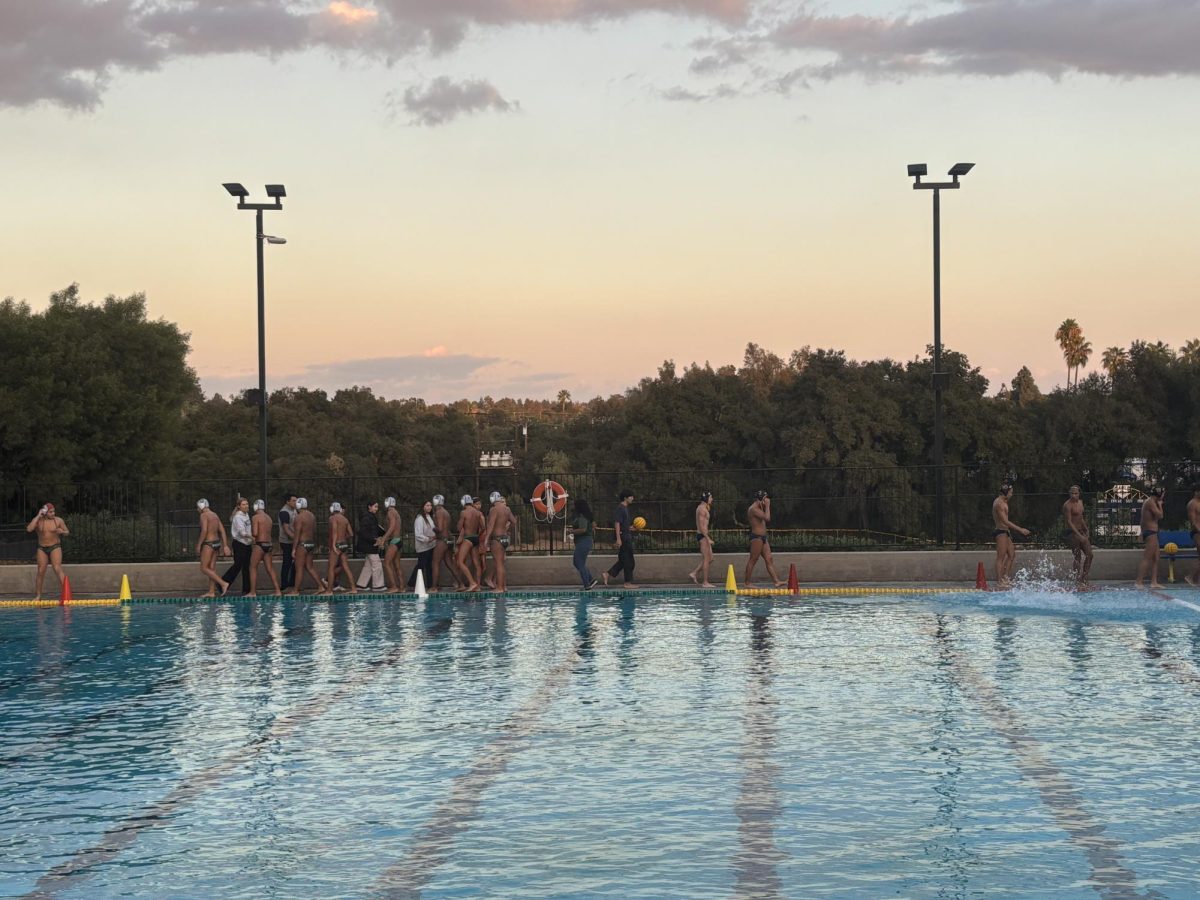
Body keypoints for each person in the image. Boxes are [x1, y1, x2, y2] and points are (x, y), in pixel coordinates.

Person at [26, 503, 69, 601]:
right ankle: (38, 596)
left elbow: (67, 532)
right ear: (45, 512)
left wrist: (62, 532)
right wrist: (38, 515)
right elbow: (29, 529)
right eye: (50, 512)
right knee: (40, 571)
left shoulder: (58, 520)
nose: (53, 513)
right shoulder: (38, 521)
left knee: (57, 568)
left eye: (53, 511)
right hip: (42, 548)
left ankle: (66, 595)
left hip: (55, 547)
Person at [992, 483, 1031, 588]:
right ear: (1006, 492)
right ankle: (1000, 581)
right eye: (1011, 492)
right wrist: (1020, 530)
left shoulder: (1004, 501)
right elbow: (1005, 521)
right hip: (1000, 532)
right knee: (1001, 557)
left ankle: (1005, 578)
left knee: (1011, 554)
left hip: (1005, 532)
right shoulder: (999, 503)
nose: (1011, 495)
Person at [745, 490, 785, 587]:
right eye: (765, 499)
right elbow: (767, 518)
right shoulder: (753, 509)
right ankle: (747, 583)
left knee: (769, 559)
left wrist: (765, 505)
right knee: (753, 559)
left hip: (763, 538)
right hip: (756, 538)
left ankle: (776, 581)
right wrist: (767, 506)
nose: (767, 501)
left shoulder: (759, 507)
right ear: (761, 499)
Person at [286, 498, 325, 594]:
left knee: (299, 568)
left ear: (298, 506)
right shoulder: (312, 516)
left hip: (302, 545)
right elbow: (314, 530)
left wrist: (294, 549)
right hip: (311, 544)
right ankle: (320, 586)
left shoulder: (299, 517)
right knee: (309, 567)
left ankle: (295, 591)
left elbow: (297, 535)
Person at [482, 491, 519, 592]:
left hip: (497, 539)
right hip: (505, 538)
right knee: (501, 564)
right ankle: (503, 587)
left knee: (498, 563)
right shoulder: (507, 509)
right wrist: (505, 527)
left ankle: (499, 588)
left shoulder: (493, 509)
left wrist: (486, 539)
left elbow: (490, 525)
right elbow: (514, 522)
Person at [602, 489, 639, 588]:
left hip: (626, 535)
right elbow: (617, 524)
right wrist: (618, 539)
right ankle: (627, 583)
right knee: (629, 560)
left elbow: (623, 524)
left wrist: (631, 528)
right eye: (630, 496)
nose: (632, 498)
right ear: (625, 498)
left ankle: (608, 574)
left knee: (623, 560)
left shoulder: (625, 508)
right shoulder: (620, 508)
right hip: (624, 537)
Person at [195, 499, 231, 597]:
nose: (197, 510)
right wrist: (225, 545)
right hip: (216, 543)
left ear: (201, 507)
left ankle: (223, 584)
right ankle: (211, 592)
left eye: (198, 508)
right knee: (211, 568)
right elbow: (222, 531)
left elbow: (204, 530)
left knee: (203, 568)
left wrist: (199, 544)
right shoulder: (215, 515)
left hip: (209, 543)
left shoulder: (203, 515)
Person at [321, 502, 357, 595]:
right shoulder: (345, 519)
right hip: (344, 544)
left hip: (336, 545)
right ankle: (353, 589)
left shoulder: (333, 518)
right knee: (346, 567)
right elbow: (351, 534)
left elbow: (334, 532)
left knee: (331, 568)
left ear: (332, 509)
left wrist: (333, 545)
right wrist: (343, 537)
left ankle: (329, 590)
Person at [249, 499, 282, 596]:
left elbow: (255, 533)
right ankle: (277, 591)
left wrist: (249, 533)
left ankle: (253, 592)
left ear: (255, 507)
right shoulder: (269, 518)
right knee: (270, 568)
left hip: (260, 545)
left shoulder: (255, 517)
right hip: (269, 545)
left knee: (253, 567)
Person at [1061, 485, 1093, 586]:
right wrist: (1078, 534)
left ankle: (1084, 577)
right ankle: (1076, 579)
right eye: (1072, 493)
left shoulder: (1080, 503)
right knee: (1077, 556)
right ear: (1069, 493)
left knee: (1090, 555)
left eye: (1076, 493)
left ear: (1079, 494)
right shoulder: (1067, 505)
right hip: (1072, 533)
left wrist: (1086, 529)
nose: (1074, 495)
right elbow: (1069, 522)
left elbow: (1080, 517)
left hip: (1081, 531)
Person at [222, 497, 253, 595]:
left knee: (246, 567)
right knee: (238, 565)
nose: (246, 506)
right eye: (243, 504)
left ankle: (246, 589)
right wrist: (252, 538)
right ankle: (223, 582)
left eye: (247, 504)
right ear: (239, 506)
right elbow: (242, 532)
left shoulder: (246, 515)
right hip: (240, 544)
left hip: (247, 544)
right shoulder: (238, 517)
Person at [1136, 487, 1165, 589]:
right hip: (1150, 533)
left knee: (1155, 558)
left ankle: (1154, 582)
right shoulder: (1150, 502)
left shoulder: (1152, 502)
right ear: (1159, 495)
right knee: (1147, 558)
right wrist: (1160, 505)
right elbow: (1160, 515)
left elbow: (1153, 518)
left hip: (1153, 532)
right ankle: (1138, 582)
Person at [455, 495, 485, 592]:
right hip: (476, 538)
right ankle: (478, 586)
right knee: (477, 564)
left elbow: (459, 528)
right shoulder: (478, 513)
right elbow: (483, 527)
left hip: (468, 538)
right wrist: (477, 534)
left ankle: (472, 583)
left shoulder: (463, 512)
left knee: (460, 561)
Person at [431, 495, 461, 592]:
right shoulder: (446, 512)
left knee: (435, 562)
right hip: (448, 540)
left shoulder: (439, 512)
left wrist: (432, 528)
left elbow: (439, 528)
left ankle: (434, 587)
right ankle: (461, 584)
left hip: (442, 540)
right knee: (449, 563)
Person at [356, 500, 386, 592]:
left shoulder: (370, 517)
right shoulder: (367, 518)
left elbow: (374, 529)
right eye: (375, 506)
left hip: (369, 544)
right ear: (369, 506)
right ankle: (378, 585)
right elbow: (364, 532)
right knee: (377, 564)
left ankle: (361, 584)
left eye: (377, 507)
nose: (376, 509)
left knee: (368, 565)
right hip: (370, 545)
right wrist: (375, 540)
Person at [408, 500, 438, 591]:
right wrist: (428, 539)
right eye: (427, 505)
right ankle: (411, 583)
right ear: (423, 507)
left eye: (430, 505)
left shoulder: (430, 517)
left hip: (430, 546)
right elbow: (418, 534)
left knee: (428, 565)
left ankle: (430, 584)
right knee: (421, 565)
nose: (429, 507)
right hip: (423, 546)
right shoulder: (420, 519)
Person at [688, 491, 715, 587]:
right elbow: (701, 526)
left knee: (710, 558)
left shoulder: (703, 508)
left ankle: (694, 573)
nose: (712, 499)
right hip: (703, 536)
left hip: (704, 536)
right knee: (707, 558)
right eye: (711, 497)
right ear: (706, 499)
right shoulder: (702, 510)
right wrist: (708, 538)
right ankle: (705, 582)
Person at [571, 498, 597, 589]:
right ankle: (591, 580)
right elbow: (594, 525)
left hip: (583, 541)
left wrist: (571, 531)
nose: (573, 506)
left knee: (579, 562)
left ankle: (587, 585)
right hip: (585, 541)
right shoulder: (587, 515)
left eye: (574, 505)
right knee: (578, 562)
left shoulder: (582, 517)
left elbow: (583, 529)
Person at [380, 496, 404, 593]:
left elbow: (392, 526)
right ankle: (402, 587)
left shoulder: (390, 512)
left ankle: (394, 586)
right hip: (398, 540)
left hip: (394, 541)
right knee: (397, 566)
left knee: (386, 563)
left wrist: (383, 539)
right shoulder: (396, 512)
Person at [278, 494, 298, 590]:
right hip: (286, 541)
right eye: (293, 501)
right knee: (287, 562)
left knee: (295, 562)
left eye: (296, 501)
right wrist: (296, 539)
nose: (296, 502)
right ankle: (284, 584)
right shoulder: (284, 512)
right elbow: (286, 529)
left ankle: (292, 583)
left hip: (293, 540)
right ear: (288, 502)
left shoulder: (294, 510)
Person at [1187, 485, 1200, 587]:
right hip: (1197, 532)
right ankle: (1191, 577)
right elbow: (1193, 521)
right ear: (1196, 492)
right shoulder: (1192, 504)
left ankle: (1194, 579)